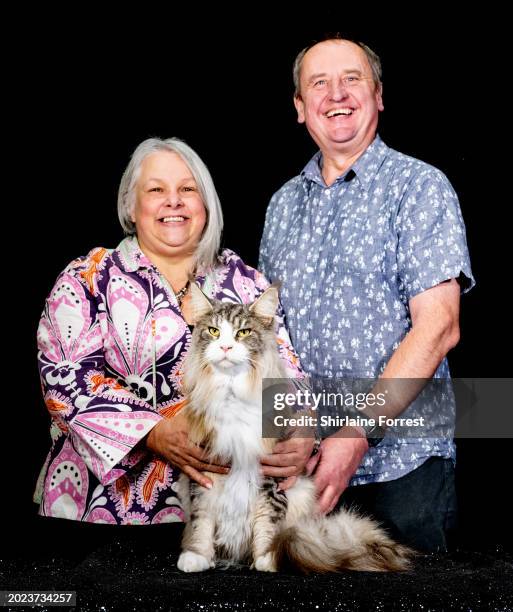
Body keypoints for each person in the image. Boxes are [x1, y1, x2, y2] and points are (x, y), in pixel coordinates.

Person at [259, 36, 475, 552]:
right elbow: (269, 340)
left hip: (403, 469)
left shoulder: (420, 187)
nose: (337, 93)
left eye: (352, 79)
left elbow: (440, 327)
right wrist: (282, 438)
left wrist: (355, 433)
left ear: (378, 95)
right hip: (304, 473)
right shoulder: (281, 206)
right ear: (299, 107)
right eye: (319, 83)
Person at [34, 137, 311, 529]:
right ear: (131, 206)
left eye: (187, 189)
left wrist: (300, 432)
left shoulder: (247, 282)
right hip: (99, 518)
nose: (174, 201)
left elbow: (288, 374)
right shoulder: (88, 278)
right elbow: (63, 378)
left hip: (224, 523)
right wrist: (152, 431)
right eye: (156, 190)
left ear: (205, 205)